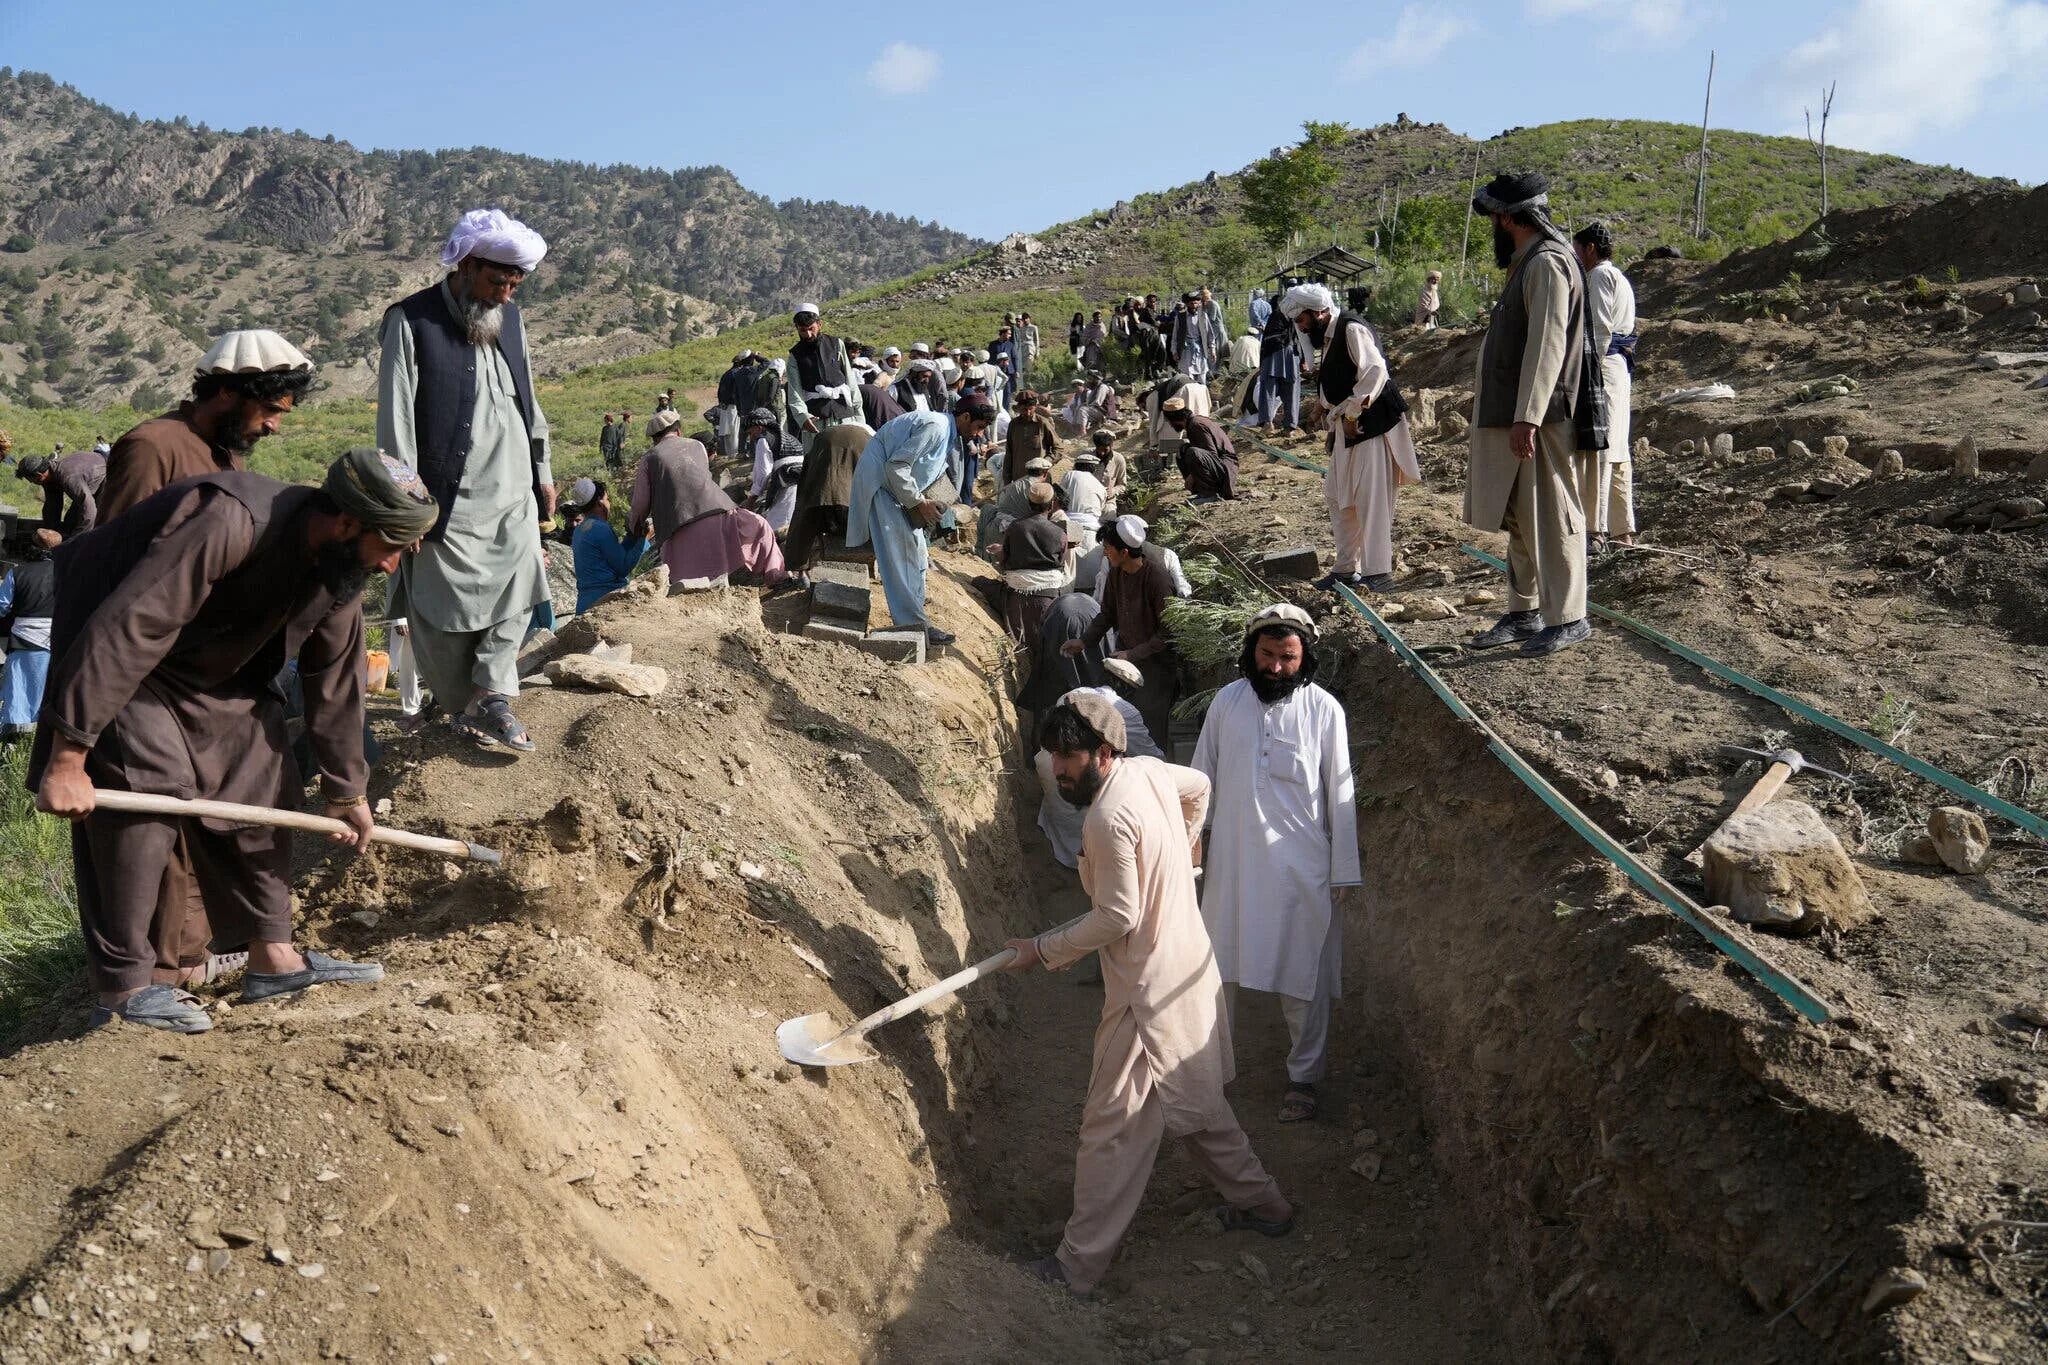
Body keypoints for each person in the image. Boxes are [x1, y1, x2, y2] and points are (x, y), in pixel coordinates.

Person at [29, 448, 435, 1033]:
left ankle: (274, 959)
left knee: (264, 777)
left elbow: (337, 677)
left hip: (218, 671)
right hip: (124, 656)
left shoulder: (343, 568)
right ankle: (123, 989)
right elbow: (132, 626)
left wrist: (347, 789)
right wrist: (68, 756)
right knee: (146, 791)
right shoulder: (233, 518)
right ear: (348, 523)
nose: (393, 565)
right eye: (391, 546)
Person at [1003, 694, 1294, 1295]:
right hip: (1187, 965)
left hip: (1148, 998)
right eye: (1054, 756)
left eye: (1070, 757)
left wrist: (1042, 948)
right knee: (1198, 1104)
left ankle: (1075, 1267)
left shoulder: (1106, 819)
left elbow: (1116, 917)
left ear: (1105, 753)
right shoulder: (1153, 772)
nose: (1059, 771)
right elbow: (1201, 787)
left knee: (1111, 1129)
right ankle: (1266, 1206)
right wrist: (1184, 862)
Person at [378, 207, 556, 754]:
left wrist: (542, 470)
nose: (505, 294)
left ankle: (489, 691)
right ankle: (460, 702)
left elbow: (529, 402)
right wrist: (406, 503)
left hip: (513, 493)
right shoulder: (411, 321)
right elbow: (395, 422)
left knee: (526, 578)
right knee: (439, 610)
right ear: (466, 266)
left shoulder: (513, 322)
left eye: (514, 284)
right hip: (445, 500)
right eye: (497, 281)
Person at [1192, 605, 1359, 1124]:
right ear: (1251, 652)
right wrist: (1189, 851)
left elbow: (1342, 789)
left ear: (1304, 655)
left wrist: (1343, 869)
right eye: (1267, 655)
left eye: (1288, 657)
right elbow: (1201, 783)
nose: (1276, 667)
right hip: (1234, 869)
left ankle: (1303, 1079)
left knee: (1301, 974)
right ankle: (1208, 1073)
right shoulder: (1226, 702)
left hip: (1300, 871)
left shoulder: (1325, 710)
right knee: (1216, 973)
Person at [1464, 173, 1595, 658]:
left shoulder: (1547, 263)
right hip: (1518, 415)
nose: (1493, 227)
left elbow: (1548, 344)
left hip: (1539, 418)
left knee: (1553, 513)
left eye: (1495, 218)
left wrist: (1530, 416)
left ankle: (1569, 617)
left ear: (1507, 217)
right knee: (1521, 516)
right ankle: (1525, 611)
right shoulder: (1528, 263)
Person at [1279, 282, 1421, 593]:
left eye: (1302, 320)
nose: (1301, 327)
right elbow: (1339, 380)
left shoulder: (1351, 329)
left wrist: (1353, 414)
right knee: (1337, 496)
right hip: (1347, 427)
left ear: (1318, 312)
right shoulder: (1329, 335)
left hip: (1372, 426)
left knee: (1371, 500)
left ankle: (1378, 572)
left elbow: (1374, 372)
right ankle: (1346, 568)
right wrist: (1322, 412)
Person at [99, 331, 316, 523]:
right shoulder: (152, 447)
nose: (274, 426)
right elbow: (115, 549)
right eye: (269, 408)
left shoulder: (228, 450)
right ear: (227, 392)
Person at [847, 397, 997, 648]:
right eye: (979, 426)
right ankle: (911, 624)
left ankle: (917, 619)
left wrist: (938, 500)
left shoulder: (948, 432)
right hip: (882, 488)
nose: (979, 433)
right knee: (901, 557)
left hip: (898, 492)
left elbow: (928, 469)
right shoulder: (936, 426)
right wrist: (919, 502)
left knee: (918, 554)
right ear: (966, 417)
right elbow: (896, 465)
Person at [630, 410, 786, 586]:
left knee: (686, 583)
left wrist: (635, 527)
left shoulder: (650, 458)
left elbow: (640, 503)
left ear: (654, 439)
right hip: (718, 510)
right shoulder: (697, 446)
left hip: (676, 525)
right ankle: (777, 576)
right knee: (760, 526)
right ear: (679, 431)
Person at [1063, 515, 1178, 746]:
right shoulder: (1117, 574)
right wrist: (1084, 641)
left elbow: (1167, 633)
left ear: (1124, 552)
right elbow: (1107, 613)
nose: (1105, 553)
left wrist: (1132, 654)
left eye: (1108, 548)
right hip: (1126, 664)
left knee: (1152, 731)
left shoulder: (1158, 580)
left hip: (1156, 668)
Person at [1575, 224, 1637, 548]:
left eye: (1578, 249)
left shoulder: (1599, 276)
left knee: (1600, 447)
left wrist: (1588, 370)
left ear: (1590, 249)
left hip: (1605, 369)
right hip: (1619, 370)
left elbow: (1600, 329)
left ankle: (1596, 531)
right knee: (1617, 449)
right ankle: (1623, 531)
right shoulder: (1621, 278)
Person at [986, 481, 1069, 647]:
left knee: (980, 583)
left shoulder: (1015, 527)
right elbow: (1060, 562)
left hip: (1015, 595)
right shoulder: (1059, 533)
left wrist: (1001, 552)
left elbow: (1005, 561)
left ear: (1029, 503)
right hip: (1049, 595)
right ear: (1052, 504)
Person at [786, 420, 873, 572]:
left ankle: (798, 567)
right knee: (860, 494)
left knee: (809, 503)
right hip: (857, 441)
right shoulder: (877, 441)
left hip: (823, 439)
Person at [560, 478, 649, 613]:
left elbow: (614, 555)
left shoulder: (581, 529)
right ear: (600, 503)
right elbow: (623, 567)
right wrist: (643, 540)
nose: (609, 503)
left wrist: (632, 537)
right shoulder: (600, 528)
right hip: (604, 603)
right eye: (607, 499)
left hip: (586, 603)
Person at [0, 540, 53, 741]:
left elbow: (2, 606)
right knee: (45, 686)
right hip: (54, 638)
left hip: (23, 639)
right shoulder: (65, 572)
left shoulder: (18, 573)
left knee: (17, 686)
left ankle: (11, 736)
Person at [787, 304, 862, 436]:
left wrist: (858, 413)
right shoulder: (795, 355)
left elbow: (850, 380)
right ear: (797, 329)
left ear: (820, 324)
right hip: (815, 419)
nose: (808, 334)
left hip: (844, 413)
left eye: (811, 329)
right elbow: (794, 392)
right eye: (803, 330)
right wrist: (803, 417)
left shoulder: (836, 344)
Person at [14, 448, 105, 546]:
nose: (32, 483)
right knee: (70, 522)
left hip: (107, 476)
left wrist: (76, 542)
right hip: (86, 480)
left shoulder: (68, 477)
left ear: (39, 475)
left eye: (31, 480)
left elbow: (89, 510)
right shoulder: (49, 476)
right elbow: (52, 507)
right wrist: (50, 533)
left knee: (92, 523)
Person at [1163, 395, 1239, 501]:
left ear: (1174, 418)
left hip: (1225, 470)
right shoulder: (1193, 423)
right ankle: (1201, 492)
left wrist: (1192, 476)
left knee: (1192, 452)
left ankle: (1210, 494)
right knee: (1183, 450)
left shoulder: (1196, 425)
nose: (1171, 425)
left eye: (1170, 421)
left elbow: (1211, 454)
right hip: (1218, 466)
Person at [1255, 301, 1303, 433]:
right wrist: (1303, 359)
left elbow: (1266, 340)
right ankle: (1290, 427)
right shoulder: (1298, 315)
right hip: (1290, 354)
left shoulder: (1275, 316)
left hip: (1272, 354)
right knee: (1291, 390)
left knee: (1268, 389)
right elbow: (1301, 338)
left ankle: (1267, 423)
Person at [1060, 448, 1110, 555]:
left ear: (1076, 466)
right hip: (1093, 528)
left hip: (1073, 524)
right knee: (1089, 563)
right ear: (1093, 468)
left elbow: (1060, 496)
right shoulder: (1101, 487)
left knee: (1072, 562)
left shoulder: (1070, 475)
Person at [1168, 290, 1218, 381]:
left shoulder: (1203, 316)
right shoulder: (1180, 317)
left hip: (1200, 350)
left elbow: (1210, 334)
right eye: (1191, 303)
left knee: (1202, 376)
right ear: (1187, 304)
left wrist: (1212, 350)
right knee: (1188, 377)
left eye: (1196, 303)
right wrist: (1174, 351)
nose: (1194, 306)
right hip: (1186, 351)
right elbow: (1175, 336)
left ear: (1199, 303)